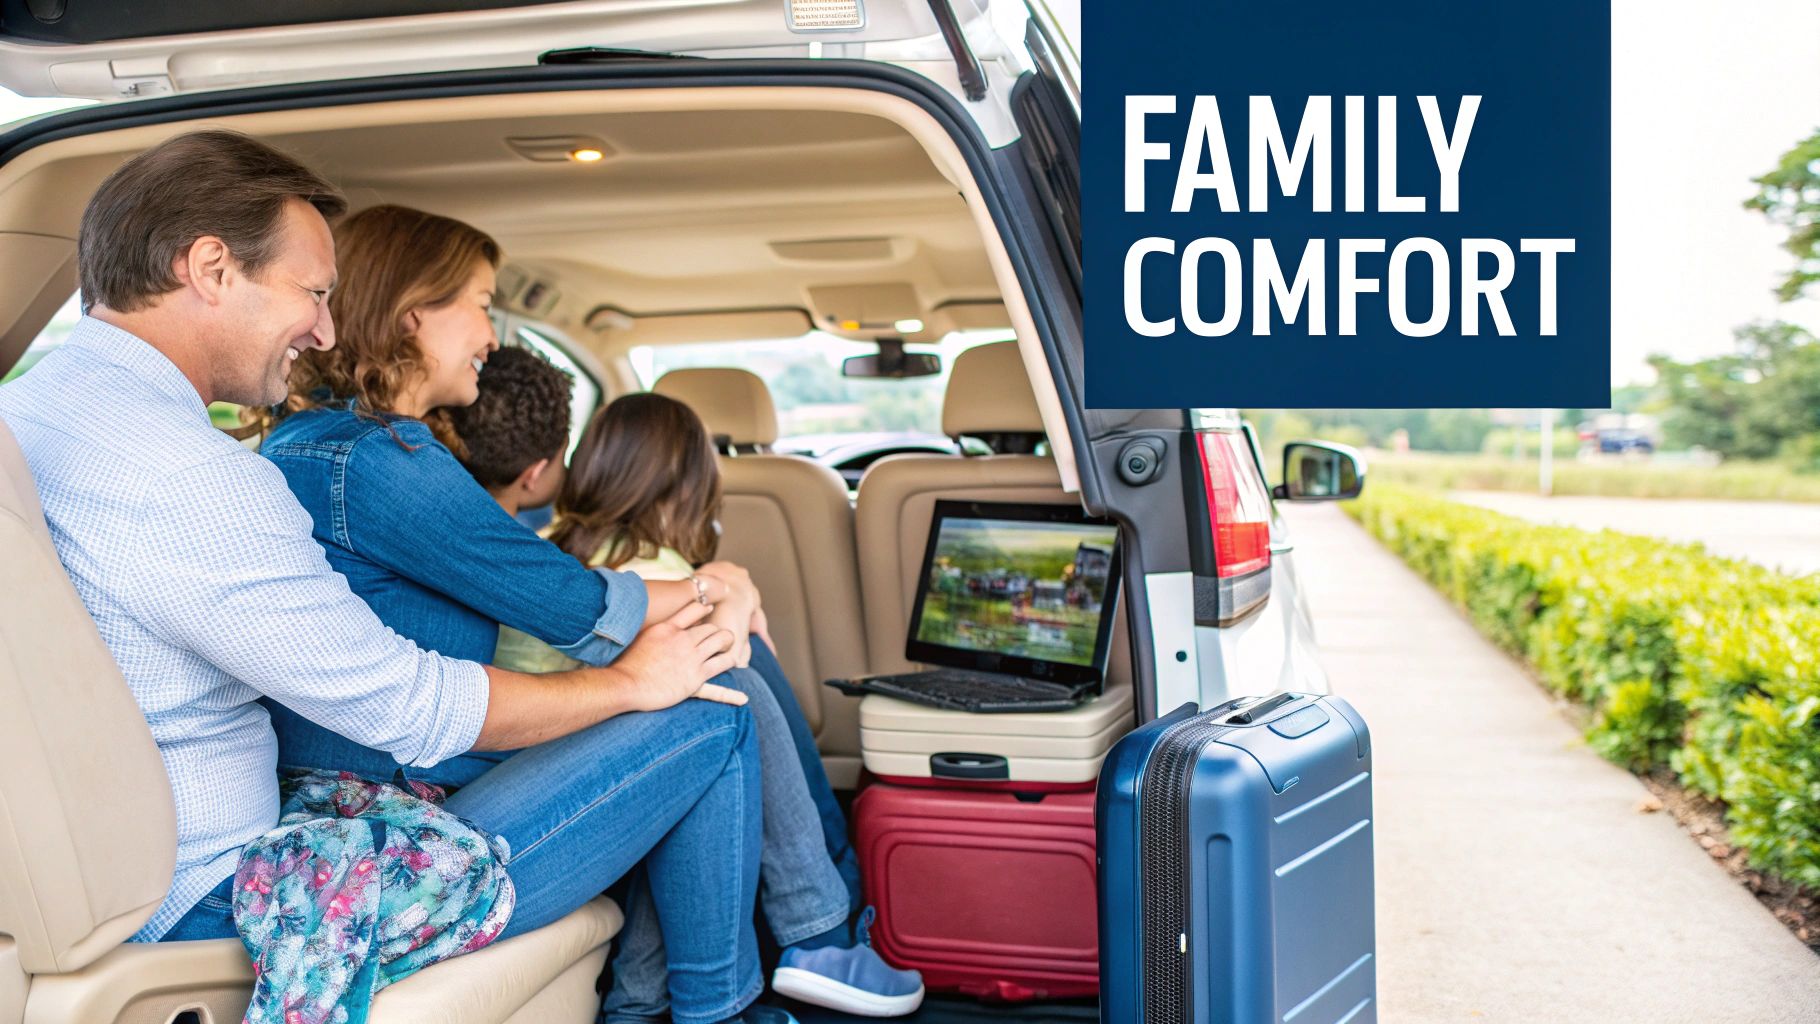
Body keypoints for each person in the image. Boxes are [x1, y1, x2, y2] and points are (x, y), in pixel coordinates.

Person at [0, 130, 788, 1024]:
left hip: (119, 870)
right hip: (221, 890)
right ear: (212, 268)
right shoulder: (195, 478)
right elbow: (410, 708)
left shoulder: (26, 415)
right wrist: (627, 682)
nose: (327, 330)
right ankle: (731, 1004)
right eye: (313, 292)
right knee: (709, 713)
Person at [256, 205, 923, 1019]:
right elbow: (576, 606)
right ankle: (753, 979)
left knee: (702, 698)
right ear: (413, 315)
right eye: (480, 303)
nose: (492, 335)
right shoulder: (379, 460)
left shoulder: (308, 444)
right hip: (395, 797)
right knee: (721, 709)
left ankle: (696, 990)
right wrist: (718, 584)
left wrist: (711, 586)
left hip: (380, 771)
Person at [452, 355, 915, 1017]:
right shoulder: (658, 569)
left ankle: (708, 975)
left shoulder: (543, 545)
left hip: (529, 764)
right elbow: (709, 672)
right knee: (737, 686)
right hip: (590, 771)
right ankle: (821, 925)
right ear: (689, 490)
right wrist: (733, 591)